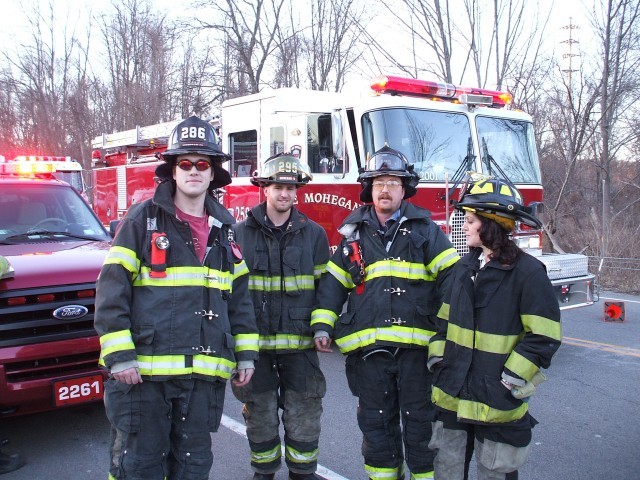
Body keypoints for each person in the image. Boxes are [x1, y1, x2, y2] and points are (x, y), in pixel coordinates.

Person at [94, 116, 259, 480]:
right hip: (145, 381)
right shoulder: (142, 221)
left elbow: (240, 301)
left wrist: (246, 354)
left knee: (193, 467)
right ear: (172, 169)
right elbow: (111, 292)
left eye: (203, 163)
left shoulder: (225, 229)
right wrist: (120, 357)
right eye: (185, 163)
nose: (194, 170)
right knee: (140, 467)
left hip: (201, 380)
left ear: (214, 172)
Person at [310, 146, 460, 480]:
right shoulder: (353, 237)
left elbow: (454, 280)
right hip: (370, 358)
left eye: (393, 182)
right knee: (376, 430)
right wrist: (322, 326)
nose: (385, 189)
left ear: (404, 188)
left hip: (418, 355)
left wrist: (447, 331)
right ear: (369, 188)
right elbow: (333, 287)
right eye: (378, 182)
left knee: (422, 430)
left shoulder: (426, 231)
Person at [427, 176, 562, 480]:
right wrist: (438, 360)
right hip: (453, 393)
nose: (463, 226)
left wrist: (511, 377)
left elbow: (544, 335)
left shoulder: (528, 274)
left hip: (496, 400)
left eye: (470, 220)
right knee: (447, 470)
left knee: (495, 473)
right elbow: (443, 323)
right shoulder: (464, 268)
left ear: (490, 224)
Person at [232, 153, 330, 480]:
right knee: (259, 414)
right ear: (264, 189)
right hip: (256, 348)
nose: (284, 193)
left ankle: (302, 472)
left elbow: (325, 288)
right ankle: (265, 472)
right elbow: (231, 292)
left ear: (297, 191)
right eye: (278, 186)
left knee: (304, 413)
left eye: (290, 187)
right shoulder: (239, 234)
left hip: (300, 347)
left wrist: (322, 326)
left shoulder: (314, 234)